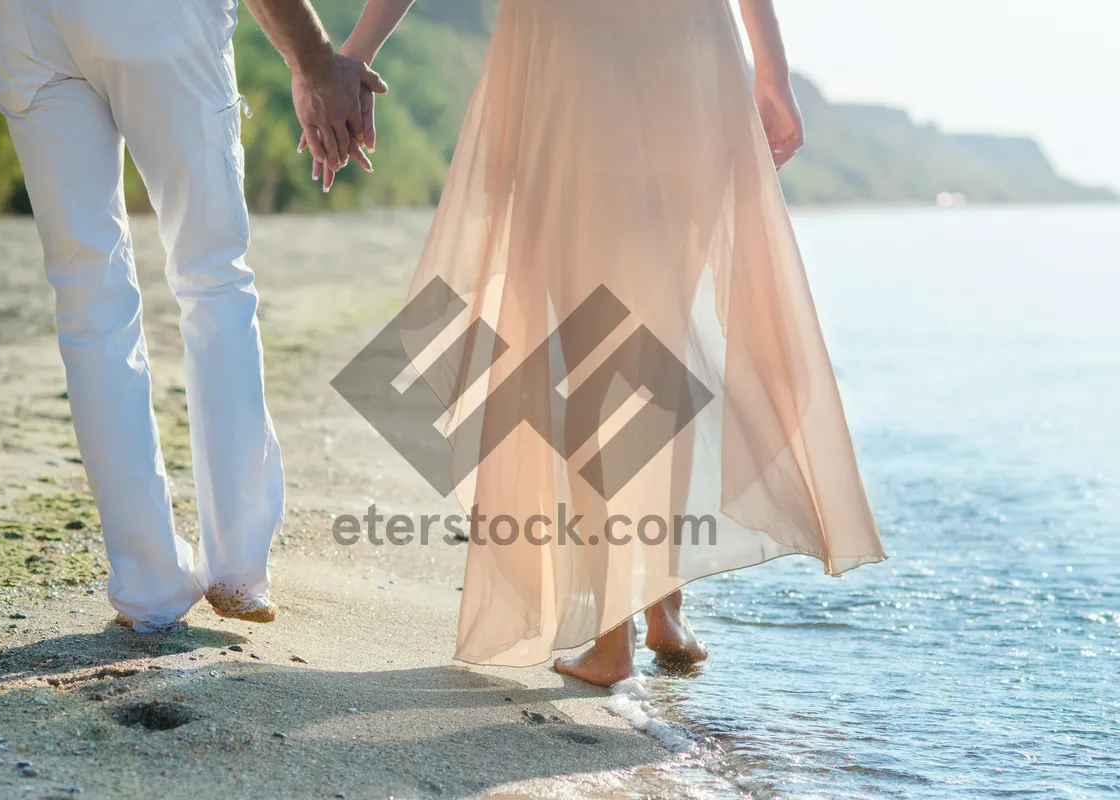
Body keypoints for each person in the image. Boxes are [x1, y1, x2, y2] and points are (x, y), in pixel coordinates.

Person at [334, 0, 886, 687]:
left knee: (588, 340)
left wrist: (355, 51)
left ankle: (610, 637)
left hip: (569, 57)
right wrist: (772, 72)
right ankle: (664, 605)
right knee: (663, 338)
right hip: (688, 56)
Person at [0, 0, 383, 632]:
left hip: (24, 22)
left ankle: (148, 587)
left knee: (88, 297)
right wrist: (312, 59)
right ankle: (238, 568)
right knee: (211, 277)